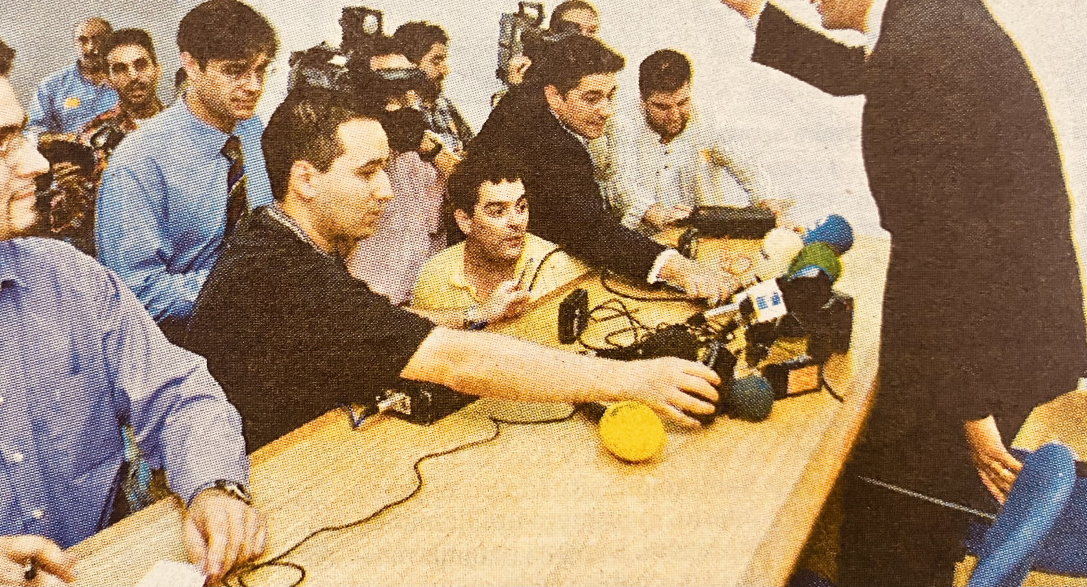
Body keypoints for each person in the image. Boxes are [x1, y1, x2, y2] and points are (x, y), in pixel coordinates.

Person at [698, 0, 1087, 585]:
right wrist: (751, 7)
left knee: (889, 528)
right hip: (1011, 324)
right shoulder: (936, 13)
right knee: (891, 496)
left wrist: (966, 411)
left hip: (981, 344)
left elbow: (947, 253)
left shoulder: (919, 52)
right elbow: (857, 72)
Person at [184, 88, 721, 452]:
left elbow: (380, 321)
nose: (387, 190)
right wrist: (629, 379)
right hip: (277, 473)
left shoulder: (277, 236)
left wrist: (472, 314)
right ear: (305, 179)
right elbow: (452, 361)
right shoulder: (281, 270)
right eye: (369, 172)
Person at [0, 31, 263, 586]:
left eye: (24, 134)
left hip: (110, 561)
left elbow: (181, 396)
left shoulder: (69, 279)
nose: (37, 163)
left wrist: (214, 485)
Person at [473, 34, 739, 303]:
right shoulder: (558, 147)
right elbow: (592, 231)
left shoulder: (530, 96)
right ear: (554, 95)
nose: (607, 110)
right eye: (592, 99)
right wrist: (680, 268)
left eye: (611, 95)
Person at [96, 0, 277, 340]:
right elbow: (137, 294)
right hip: (186, 345)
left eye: (261, 69)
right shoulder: (138, 162)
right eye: (235, 70)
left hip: (263, 331)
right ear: (191, 66)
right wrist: (247, 290)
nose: (254, 86)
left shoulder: (252, 129)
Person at [604, 49, 776, 234]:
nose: (674, 116)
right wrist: (658, 216)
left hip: (706, 236)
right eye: (662, 107)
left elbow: (749, 169)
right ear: (643, 100)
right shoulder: (622, 122)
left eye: (682, 103)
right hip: (644, 239)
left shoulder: (709, 120)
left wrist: (767, 203)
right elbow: (621, 185)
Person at [412, 152, 586, 322]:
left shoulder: (558, 267)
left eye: (521, 207)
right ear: (465, 221)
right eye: (498, 211)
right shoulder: (434, 276)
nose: (516, 222)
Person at [344, 41, 452, 304]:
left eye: (405, 90)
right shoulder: (346, 153)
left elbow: (471, 186)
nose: (398, 103)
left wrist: (430, 150)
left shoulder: (425, 144)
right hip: (370, 299)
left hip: (421, 295)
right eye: (386, 92)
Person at [42, 28, 167, 254]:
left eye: (141, 65)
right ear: (109, 80)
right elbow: (65, 225)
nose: (133, 76)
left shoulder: (184, 129)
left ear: (157, 70)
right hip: (118, 258)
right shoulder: (91, 137)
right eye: (120, 69)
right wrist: (71, 193)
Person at [28, 17, 118, 136]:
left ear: (110, 42)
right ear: (75, 44)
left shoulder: (128, 80)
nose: (91, 48)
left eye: (98, 40)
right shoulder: (51, 86)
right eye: (83, 40)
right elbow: (33, 130)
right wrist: (66, 141)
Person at [393, 21, 475, 153]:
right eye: (436, 61)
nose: (445, 70)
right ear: (410, 65)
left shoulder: (445, 106)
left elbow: (475, 150)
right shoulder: (397, 114)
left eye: (444, 60)